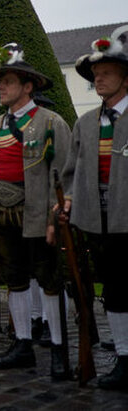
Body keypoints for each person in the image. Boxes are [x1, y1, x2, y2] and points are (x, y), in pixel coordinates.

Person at [0, 43, 71, 378]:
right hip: (2, 213)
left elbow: (63, 174)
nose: (0, 87)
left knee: (48, 278)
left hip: (37, 214)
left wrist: (52, 217)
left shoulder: (50, 122)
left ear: (27, 86)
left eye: (8, 81)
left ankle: (59, 347)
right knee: (13, 279)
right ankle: (22, 343)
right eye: (0, 82)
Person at [60, 25, 128, 389]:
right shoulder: (86, 123)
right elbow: (71, 170)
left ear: (125, 77)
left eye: (106, 73)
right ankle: (124, 356)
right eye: (95, 75)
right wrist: (69, 201)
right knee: (114, 291)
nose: (98, 80)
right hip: (97, 220)